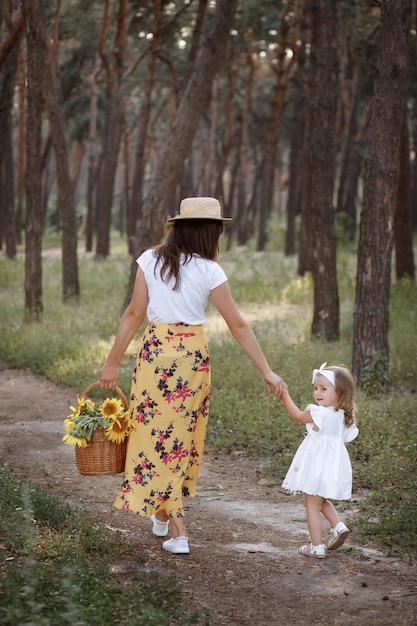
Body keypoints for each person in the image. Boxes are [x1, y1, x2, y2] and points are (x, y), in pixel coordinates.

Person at [99, 197, 286, 555]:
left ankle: (179, 532)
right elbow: (238, 325)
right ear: (210, 231)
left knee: (154, 436)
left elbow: (134, 314)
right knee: (177, 439)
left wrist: (112, 362)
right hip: (191, 361)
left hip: (155, 357)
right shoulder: (210, 270)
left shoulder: (150, 259)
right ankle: (164, 516)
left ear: (179, 226)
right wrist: (266, 370)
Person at [280, 362, 359, 559]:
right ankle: (338, 526)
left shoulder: (320, 413)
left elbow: (298, 416)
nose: (317, 392)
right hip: (332, 467)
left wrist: (285, 396)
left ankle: (317, 546)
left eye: (324, 389)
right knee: (319, 499)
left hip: (316, 465)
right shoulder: (344, 417)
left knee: (312, 504)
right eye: (315, 388)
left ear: (340, 393)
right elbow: (344, 444)